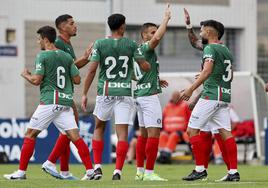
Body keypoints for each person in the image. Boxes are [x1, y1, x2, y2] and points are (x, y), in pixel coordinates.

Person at [3, 26, 94, 180]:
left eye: (39, 39)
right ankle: (91, 171)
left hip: (50, 101)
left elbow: (36, 80)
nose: (38, 41)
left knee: (30, 134)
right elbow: (77, 80)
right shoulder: (65, 56)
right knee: (75, 137)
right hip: (65, 102)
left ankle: (21, 173)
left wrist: (26, 75)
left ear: (45, 39)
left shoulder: (42, 56)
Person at [81, 13, 151, 180]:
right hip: (124, 93)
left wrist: (84, 93)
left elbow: (91, 70)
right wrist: (149, 65)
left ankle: (97, 167)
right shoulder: (131, 44)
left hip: (105, 91)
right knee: (122, 133)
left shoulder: (100, 43)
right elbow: (144, 66)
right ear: (122, 26)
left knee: (99, 128)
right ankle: (117, 171)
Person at [180, 11, 240, 181]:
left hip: (211, 95)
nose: (200, 33)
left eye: (202, 30)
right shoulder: (226, 50)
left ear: (209, 32)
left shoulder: (210, 48)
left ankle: (200, 169)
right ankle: (233, 172)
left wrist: (191, 89)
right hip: (224, 96)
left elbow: (207, 70)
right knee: (226, 133)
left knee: (192, 130)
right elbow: (231, 75)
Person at [42, 14, 93, 180]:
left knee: (66, 132)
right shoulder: (57, 43)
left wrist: (85, 58)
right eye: (72, 23)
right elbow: (61, 69)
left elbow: (71, 67)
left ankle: (63, 171)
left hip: (63, 93)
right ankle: (51, 163)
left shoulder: (67, 44)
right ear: (62, 27)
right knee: (70, 131)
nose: (75, 26)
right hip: (59, 94)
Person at [134, 4, 171, 181]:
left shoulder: (138, 51)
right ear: (144, 35)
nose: (155, 34)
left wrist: (155, 79)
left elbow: (133, 74)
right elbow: (156, 39)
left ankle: (140, 171)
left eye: (155, 31)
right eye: (151, 31)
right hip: (149, 97)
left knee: (143, 134)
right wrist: (166, 19)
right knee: (154, 134)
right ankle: (149, 173)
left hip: (140, 94)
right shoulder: (147, 48)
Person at [157, 91, 191, 164]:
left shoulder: (185, 106)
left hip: (180, 133)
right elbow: (163, 120)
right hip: (168, 132)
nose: (175, 98)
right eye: (174, 97)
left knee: (174, 135)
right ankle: (162, 154)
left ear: (180, 97)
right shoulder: (167, 107)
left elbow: (189, 120)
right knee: (162, 135)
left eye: (177, 97)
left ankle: (166, 155)